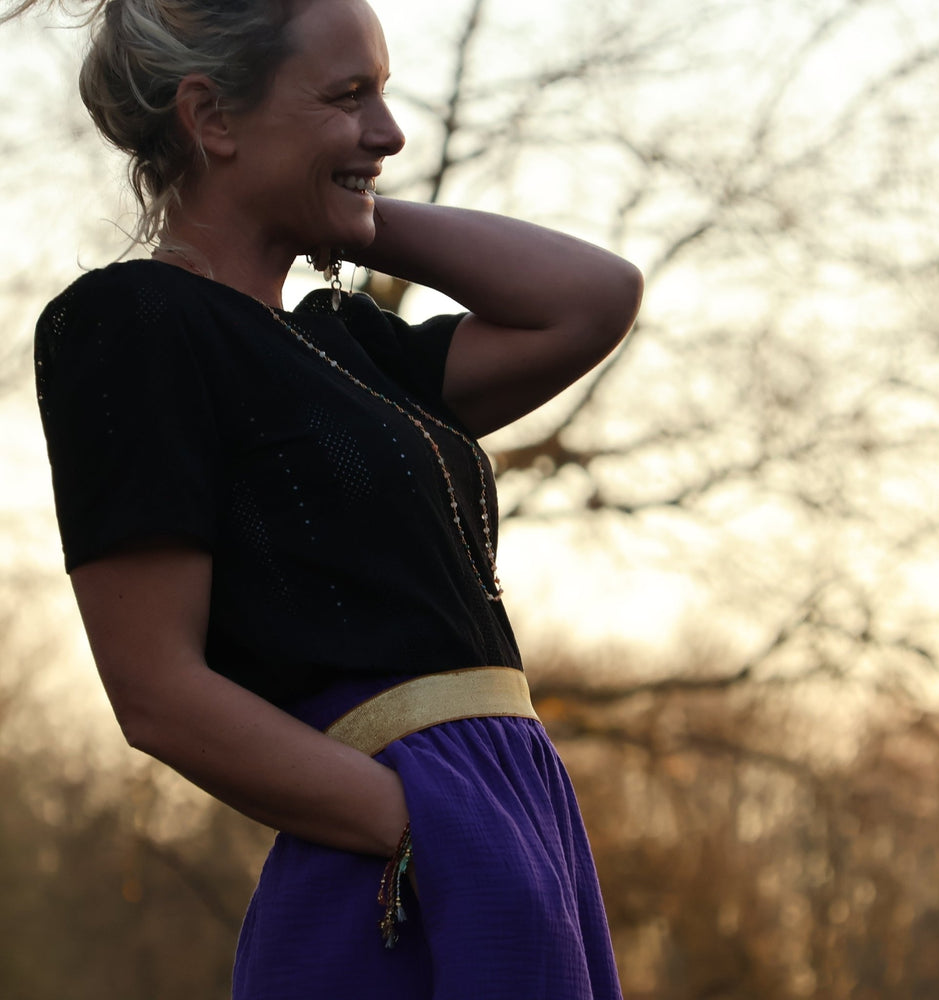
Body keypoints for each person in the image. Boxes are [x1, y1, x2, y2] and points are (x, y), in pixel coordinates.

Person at [19, 0, 643, 995]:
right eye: (349, 98)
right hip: (401, 847)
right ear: (211, 116)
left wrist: (344, 199)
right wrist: (419, 826)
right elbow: (157, 693)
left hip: (513, 815)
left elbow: (593, 298)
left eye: (383, 96)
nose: (390, 134)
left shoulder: (355, 348)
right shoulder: (131, 323)